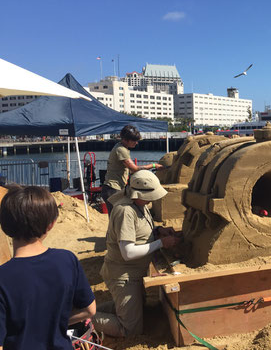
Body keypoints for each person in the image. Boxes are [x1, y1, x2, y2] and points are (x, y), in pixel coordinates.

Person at [0, 186, 96, 349]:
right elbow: (89, 310)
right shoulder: (67, 260)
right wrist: (53, 321)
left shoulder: (3, 277)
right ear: (51, 225)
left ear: (4, 226)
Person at [94, 170, 179, 337]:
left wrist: (158, 231)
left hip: (135, 272)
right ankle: (81, 319)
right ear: (138, 193)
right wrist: (161, 243)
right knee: (130, 329)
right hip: (123, 275)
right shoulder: (125, 211)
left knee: (136, 309)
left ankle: (88, 311)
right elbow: (128, 252)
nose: (153, 199)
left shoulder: (140, 205)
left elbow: (140, 230)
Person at [101, 125, 164, 214]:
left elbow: (129, 170)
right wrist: (153, 165)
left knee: (118, 216)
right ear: (126, 140)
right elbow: (134, 169)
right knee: (117, 218)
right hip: (112, 188)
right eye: (134, 141)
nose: (136, 143)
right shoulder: (121, 150)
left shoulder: (122, 147)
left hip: (116, 187)